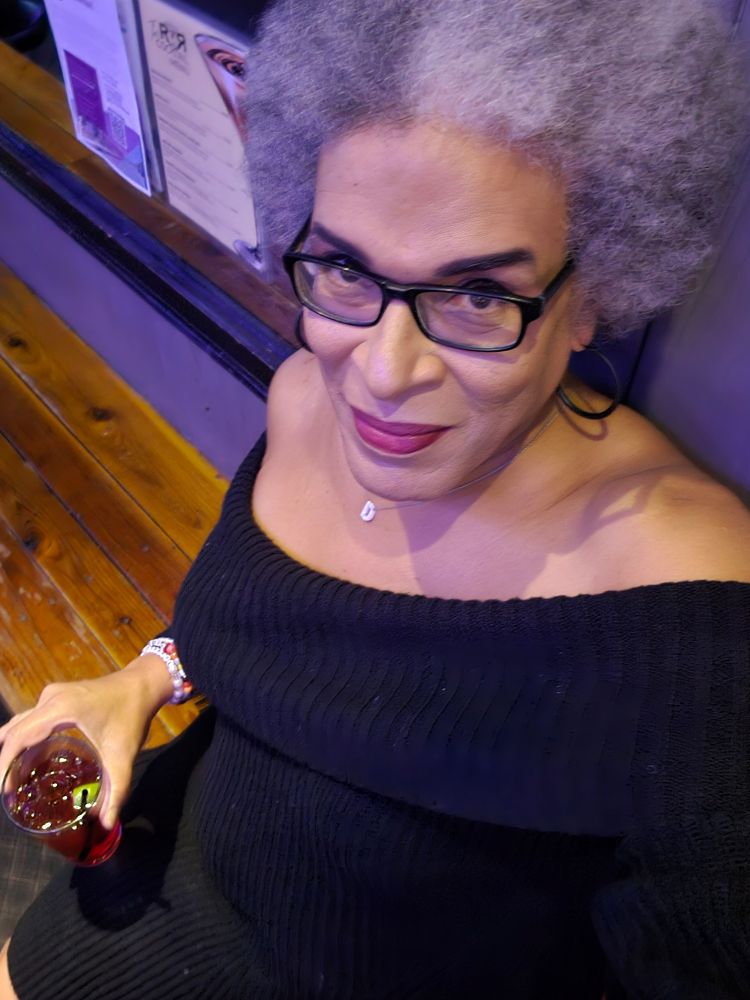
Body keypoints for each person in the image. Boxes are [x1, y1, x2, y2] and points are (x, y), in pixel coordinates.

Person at [2, 1, 750, 996]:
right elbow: (282, 629)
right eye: (348, 270)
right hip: (143, 882)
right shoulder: (305, 399)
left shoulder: (686, 612)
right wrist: (145, 679)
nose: (385, 373)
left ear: (591, 297)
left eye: (478, 295)